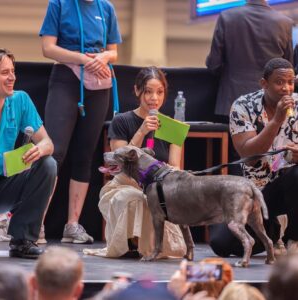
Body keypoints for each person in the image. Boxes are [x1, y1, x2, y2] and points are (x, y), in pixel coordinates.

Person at [39, 0, 122, 244]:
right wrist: (84, 60)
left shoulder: (106, 8)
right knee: (54, 152)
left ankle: (72, 225)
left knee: (85, 154)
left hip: (99, 83)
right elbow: (48, 48)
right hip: (67, 76)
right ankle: (36, 222)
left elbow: (114, 51)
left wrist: (104, 56)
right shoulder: (59, 4)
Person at [84, 66, 186, 258]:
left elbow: (174, 167)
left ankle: (148, 246)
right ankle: (130, 244)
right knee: (133, 197)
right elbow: (120, 163)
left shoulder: (172, 126)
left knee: (154, 199)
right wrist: (141, 131)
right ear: (137, 91)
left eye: (159, 92)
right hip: (123, 184)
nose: (154, 98)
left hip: (157, 187)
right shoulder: (122, 121)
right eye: (148, 91)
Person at [209, 58, 298, 258]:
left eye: (290, 82)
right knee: (221, 244)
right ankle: (273, 230)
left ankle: (294, 239)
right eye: (279, 82)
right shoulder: (243, 106)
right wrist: (276, 120)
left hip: (290, 188)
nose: (286, 88)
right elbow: (249, 156)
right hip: (256, 192)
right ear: (264, 83)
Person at [0, 48, 57, 258]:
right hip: (4, 170)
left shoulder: (20, 100)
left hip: (4, 183)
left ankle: (22, 239)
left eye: (13, 71)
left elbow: (48, 142)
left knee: (48, 164)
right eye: (5, 72)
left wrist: (38, 149)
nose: (12, 77)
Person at [206, 0, 294, 119]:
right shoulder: (285, 23)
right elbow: (288, 68)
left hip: (231, 103)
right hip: (270, 106)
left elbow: (213, 64)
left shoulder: (227, 17)